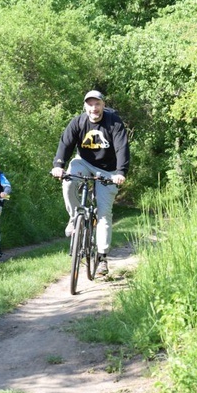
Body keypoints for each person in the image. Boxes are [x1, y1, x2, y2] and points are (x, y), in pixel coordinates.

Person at [50, 90, 129, 276]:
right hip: (83, 163)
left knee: (104, 214)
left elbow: (121, 147)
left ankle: (101, 258)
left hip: (108, 170)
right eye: (90, 104)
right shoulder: (78, 122)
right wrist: (58, 166)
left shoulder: (114, 122)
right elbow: (65, 144)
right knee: (69, 180)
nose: (94, 108)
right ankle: (74, 216)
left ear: (103, 105)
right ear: (85, 106)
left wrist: (120, 172)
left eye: (97, 104)